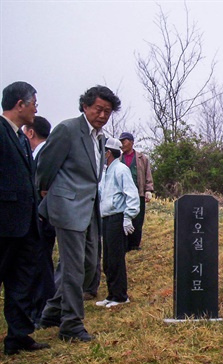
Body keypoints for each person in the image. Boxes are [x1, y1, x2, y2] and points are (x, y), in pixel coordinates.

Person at [36, 85, 121, 342]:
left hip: (89, 208)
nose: (103, 115)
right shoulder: (68, 129)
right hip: (68, 207)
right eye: (99, 109)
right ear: (85, 106)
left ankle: (51, 313)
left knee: (88, 264)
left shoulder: (100, 137)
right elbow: (45, 165)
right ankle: (71, 326)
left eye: (108, 111)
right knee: (73, 269)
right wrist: (44, 192)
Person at [0, 81, 50, 355]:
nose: (36, 108)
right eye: (34, 103)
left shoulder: (20, 137)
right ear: (20, 104)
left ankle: (18, 337)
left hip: (26, 225)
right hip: (5, 224)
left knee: (22, 281)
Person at [96, 137, 139, 308]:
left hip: (117, 217)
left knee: (116, 258)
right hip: (107, 218)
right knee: (107, 259)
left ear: (108, 152)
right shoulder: (106, 172)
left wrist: (128, 216)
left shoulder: (121, 170)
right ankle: (112, 294)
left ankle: (121, 296)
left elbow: (132, 194)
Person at [23, 116, 57, 325]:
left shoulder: (43, 154)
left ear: (30, 132)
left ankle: (44, 308)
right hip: (42, 217)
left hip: (43, 218)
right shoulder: (40, 153)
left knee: (41, 263)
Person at [118, 132, 154, 251]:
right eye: (121, 141)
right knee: (123, 218)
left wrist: (149, 190)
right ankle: (125, 244)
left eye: (124, 141)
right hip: (123, 194)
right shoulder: (118, 158)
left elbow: (147, 174)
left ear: (131, 142)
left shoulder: (142, 158)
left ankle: (135, 244)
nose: (122, 144)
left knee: (138, 220)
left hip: (139, 194)